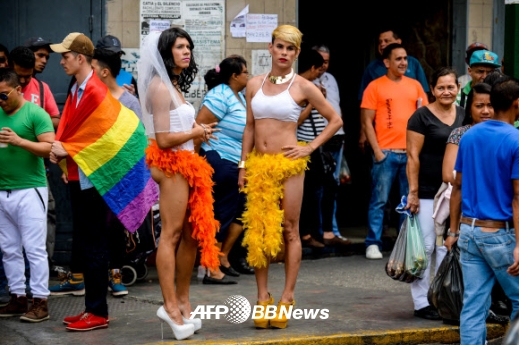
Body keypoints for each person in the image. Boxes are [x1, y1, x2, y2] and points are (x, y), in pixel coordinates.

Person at [49, 32, 157, 332]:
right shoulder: (79, 89)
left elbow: (107, 139)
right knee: (88, 244)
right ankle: (90, 309)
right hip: (81, 176)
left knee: (94, 245)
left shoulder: (94, 91)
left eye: (65, 56)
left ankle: (97, 312)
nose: (61, 61)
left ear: (80, 58)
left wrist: (67, 148)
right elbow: (76, 128)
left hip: (93, 180)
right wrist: (65, 147)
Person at [238, 25, 342, 329]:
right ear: (271, 49)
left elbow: (335, 120)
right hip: (259, 166)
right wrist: (243, 165)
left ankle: (287, 297)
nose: (284, 53)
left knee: (289, 229)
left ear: (296, 53)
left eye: (290, 48)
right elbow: (249, 127)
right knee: (259, 231)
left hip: (289, 165)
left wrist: (309, 147)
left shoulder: (302, 86)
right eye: (279, 47)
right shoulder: (254, 84)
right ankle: (262, 298)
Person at [137, 28, 220, 340]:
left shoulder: (173, 85)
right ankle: (170, 306)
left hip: (186, 164)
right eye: (180, 47)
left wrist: (198, 128)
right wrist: (194, 134)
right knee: (170, 236)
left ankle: (184, 302)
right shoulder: (160, 87)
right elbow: (162, 139)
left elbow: (178, 124)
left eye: (189, 47)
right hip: (171, 165)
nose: (187, 52)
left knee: (190, 236)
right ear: (166, 52)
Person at [445, 76, 519, 344]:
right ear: (516, 104)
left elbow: (458, 187)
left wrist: (453, 230)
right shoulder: (516, 140)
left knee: (473, 306)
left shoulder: (470, 136)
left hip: (469, 231)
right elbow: (517, 198)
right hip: (501, 234)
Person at [406, 67, 464, 320]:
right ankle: (421, 303)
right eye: (441, 87)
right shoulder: (420, 116)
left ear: (458, 89)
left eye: (450, 87)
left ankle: (442, 298)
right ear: (432, 90)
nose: (446, 92)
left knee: (447, 247)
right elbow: (412, 156)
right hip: (428, 191)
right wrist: (413, 193)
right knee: (426, 247)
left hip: (457, 191)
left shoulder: (464, 115)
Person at [361, 43, 428, 260]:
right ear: (387, 63)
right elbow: (366, 122)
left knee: (408, 200)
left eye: (405, 58)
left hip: (410, 154)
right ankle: (373, 242)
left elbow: (424, 117)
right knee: (379, 200)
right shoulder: (375, 86)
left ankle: (404, 244)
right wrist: (378, 151)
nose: (403, 63)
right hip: (386, 152)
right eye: (398, 59)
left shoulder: (416, 86)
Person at [0, 68, 54, 322]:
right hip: (2, 190)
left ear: (18, 90)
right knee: (9, 249)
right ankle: (17, 297)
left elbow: (49, 148)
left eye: (3, 95)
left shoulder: (35, 114)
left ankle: (40, 301)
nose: (0, 101)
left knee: (34, 249)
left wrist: (20, 141)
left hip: (30, 189)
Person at [196, 55, 251, 284]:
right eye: (246, 72)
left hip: (236, 162)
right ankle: (211, 268)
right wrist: (195, 161)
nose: (249, 75)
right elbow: (200, 127)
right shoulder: (219, 95)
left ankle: (222, 258)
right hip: (220, 159)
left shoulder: (239, 96)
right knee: (221, 214)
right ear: (235, 75)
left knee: (238, 211)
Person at [297, 48, 350, 248]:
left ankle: (324, 232)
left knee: (328, 188)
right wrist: (312, 103)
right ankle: (307, 235)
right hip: (305, 147)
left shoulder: (312, 86)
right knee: (309, 193)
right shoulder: (299, 87)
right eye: (318, 69)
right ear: (312, 68)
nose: (320, 73)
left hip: (319, 146)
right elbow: (296, 121)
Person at [358, 28, 429, 150]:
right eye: (380, 42)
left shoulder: (414, 67)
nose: (382, 44)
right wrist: (363, 133)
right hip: (383, 144)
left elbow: (424, 107)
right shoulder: (372, 70)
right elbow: (365, 107)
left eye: (387, 40)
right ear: (387, 63)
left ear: (398, 42)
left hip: (410, 144)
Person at [312, 44, 348, 243]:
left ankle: (331, 230)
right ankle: (318, 231)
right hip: (319, 137)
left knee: (333, 185)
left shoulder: (331, 79)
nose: (323, 65)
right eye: (320, 61)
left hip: (337, 135)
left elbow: (336, 105)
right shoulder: (306, 81)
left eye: (326, 61)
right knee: (318, 187)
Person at [9, 46, 60, 128]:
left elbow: (56, 120)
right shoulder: (2, 87)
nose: (22, 81)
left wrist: (35, 122)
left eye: (28, 76)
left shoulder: (42, 87)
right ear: (9, 68)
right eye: (18, 76)